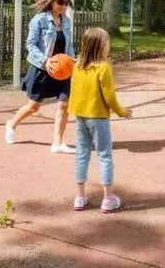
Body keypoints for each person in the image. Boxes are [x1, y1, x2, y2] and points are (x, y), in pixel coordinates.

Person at [68, 27, 133, 213]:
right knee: (104, 155)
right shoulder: (104, 67)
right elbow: (109, 97)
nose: (109, 46)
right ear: (99, 47)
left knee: (82, 154)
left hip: (80, 116)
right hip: (98, 119)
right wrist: (122, 112)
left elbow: (75, 90)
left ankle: (80, 197)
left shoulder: (78, 64)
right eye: (107, 43)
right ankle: (108, 199)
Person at [4, 0, 75, 154]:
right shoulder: (40, 20)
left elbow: (69, 45)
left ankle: (58, 142)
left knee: (64, 105)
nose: (63, 7)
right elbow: (30, 45)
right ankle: (11, 124)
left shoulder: (67, 22)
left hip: (62, 69)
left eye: (65, 4)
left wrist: (72, 60)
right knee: (34, 106)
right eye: (60, 3)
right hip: (43, 69)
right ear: (52, 1)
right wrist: (45, 61)